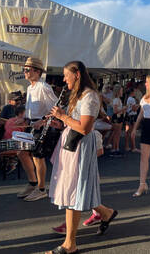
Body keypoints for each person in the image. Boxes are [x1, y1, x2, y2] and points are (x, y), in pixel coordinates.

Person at [46, 61, 117, 254]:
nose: (63, 79)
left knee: (74, 192)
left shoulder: (90, 97)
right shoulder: (79, 96)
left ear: (76, 74)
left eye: (66, 75)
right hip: (72, 146)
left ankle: (70, 244)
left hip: (80, 148)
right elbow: (74, 123)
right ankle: (106, 213)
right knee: (77, 189)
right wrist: (58, 122)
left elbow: (85, 128)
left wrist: (62, 116)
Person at [16, 57, 59, 202]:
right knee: (21, 153)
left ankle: (41, 189)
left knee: (37, 158)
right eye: (24, 69)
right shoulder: (30, 87)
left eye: (27, 70)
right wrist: (25, 118)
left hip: (42, 127)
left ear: (37, 71)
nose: (25, 72)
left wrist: (42, 120)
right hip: (32, 126)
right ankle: (32, 183)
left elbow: (56, 109)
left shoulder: (44, 87)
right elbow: (30, 108)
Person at [110, 84, 126, 156]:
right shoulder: (116, 100)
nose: (122, 92)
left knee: (117, 134)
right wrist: (124, 108)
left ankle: (116, 149)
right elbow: (115, 111)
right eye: (121, 90)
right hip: (117, 118)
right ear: (118, 91)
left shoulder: (117, 99)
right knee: (116, 134)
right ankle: (114, 149)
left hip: (119, 117)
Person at [125, 88, 140, 152]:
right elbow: (134, 109)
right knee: (133, 131)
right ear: (132, 92)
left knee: (128, 132)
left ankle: (127, 146)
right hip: (133, 116)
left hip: (128, 115)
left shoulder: (128, 99)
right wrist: (139, 105)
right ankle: (133, 147)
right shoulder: (132, 99)